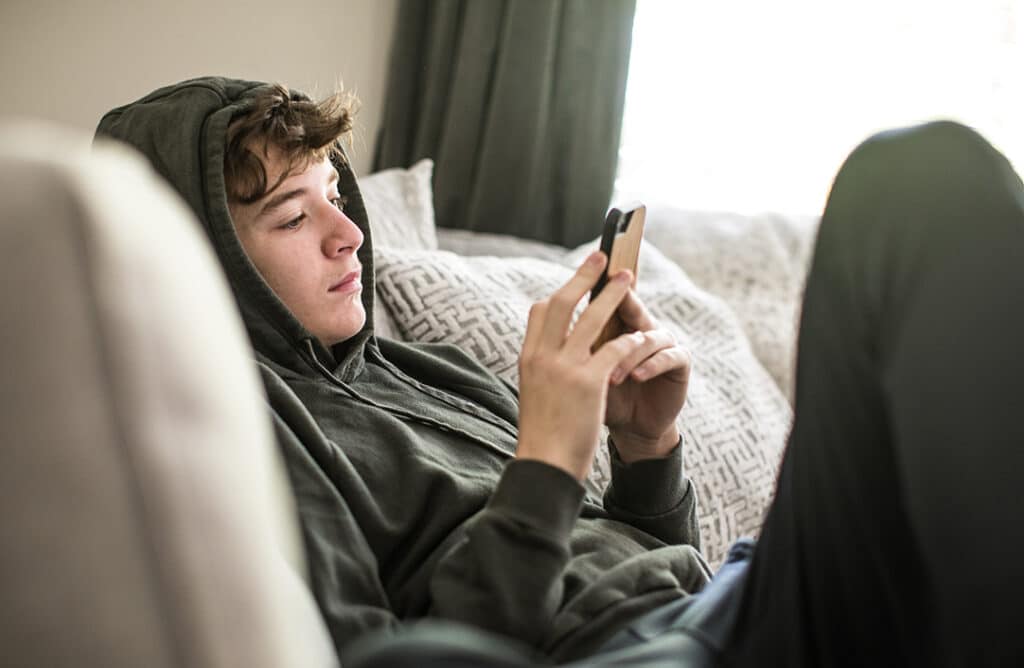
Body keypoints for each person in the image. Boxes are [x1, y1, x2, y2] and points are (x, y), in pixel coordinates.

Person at [98, 77, 1024, 667]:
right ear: (197, 253)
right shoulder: (244, 439)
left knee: (923, 179)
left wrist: (645, 447)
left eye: (336, 198)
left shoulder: (428, 371)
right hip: (638, 653)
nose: (347, 235)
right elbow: (404, 656)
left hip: (724, 602)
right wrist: (544, 462)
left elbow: (633, 556)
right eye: (293, 219)